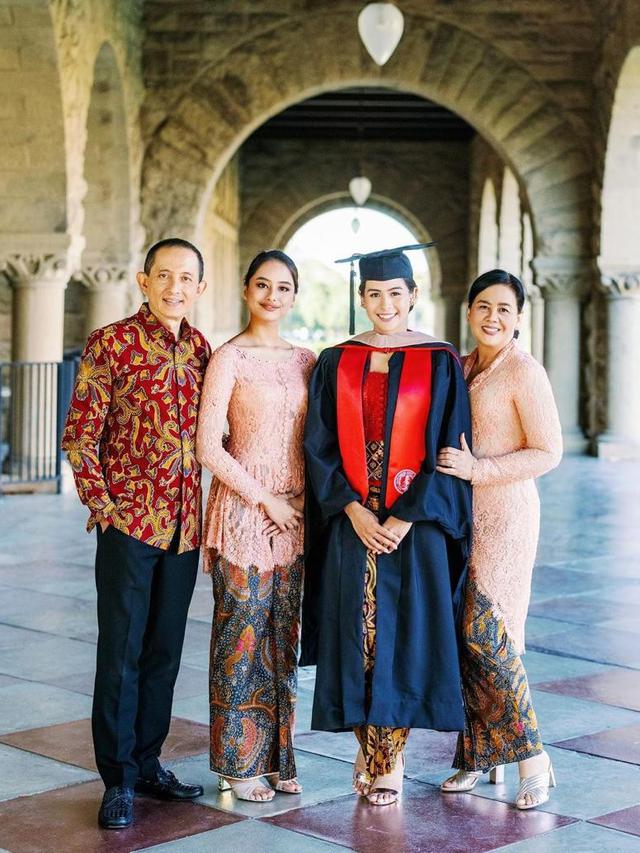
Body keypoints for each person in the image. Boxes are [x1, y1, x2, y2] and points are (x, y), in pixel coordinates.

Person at [301, 244, 473, 806]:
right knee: (359, 635)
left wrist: (404, 516)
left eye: (395, 293)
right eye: (373, 295)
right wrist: (350, 507)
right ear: (361, 298)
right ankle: (365, 743)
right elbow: (319, 445)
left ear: (412, 295)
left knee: (401, 638)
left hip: (412, 522)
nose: (384, 304)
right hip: (352, 518)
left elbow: (450, 447)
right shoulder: (337, 359)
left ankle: (389, 758)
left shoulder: (439, 360)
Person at [62, 238, 210, 829]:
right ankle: (118, 778)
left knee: (164, 653)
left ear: (200, 288)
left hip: (183, 528)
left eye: (187, 278)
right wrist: (105, 508)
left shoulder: (201, 349)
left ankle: (148, 763)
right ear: (143, 280)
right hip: (129, 523)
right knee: (120, 653)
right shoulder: (112, 342)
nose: (175, 287)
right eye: (164, 275)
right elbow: (80, 434)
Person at [438, 269, 562, 810]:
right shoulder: (462, 366)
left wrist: (475, 470)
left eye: (505, 309)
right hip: (461, 520)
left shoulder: (524, 372)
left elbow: (547, 452)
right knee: (464, 639)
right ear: (469, 311)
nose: (493, 317)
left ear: (518, 318)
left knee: (489, 634)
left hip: (506, 517)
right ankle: (477, 754)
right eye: (484, 306)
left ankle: (534, 760)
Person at [196, 250, 316, 803]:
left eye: (283, 287)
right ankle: (237, 763)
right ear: (246, 290)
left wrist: (299, 501)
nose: (273, 296)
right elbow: (208, 448)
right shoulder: (229, 358)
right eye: (263, 285)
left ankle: (277, 757)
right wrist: (266, 499)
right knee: (240, 637)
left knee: (281, 641)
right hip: (245, 510)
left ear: (295, 296)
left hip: (294, 517)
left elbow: (317, 441)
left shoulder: (306, 361)